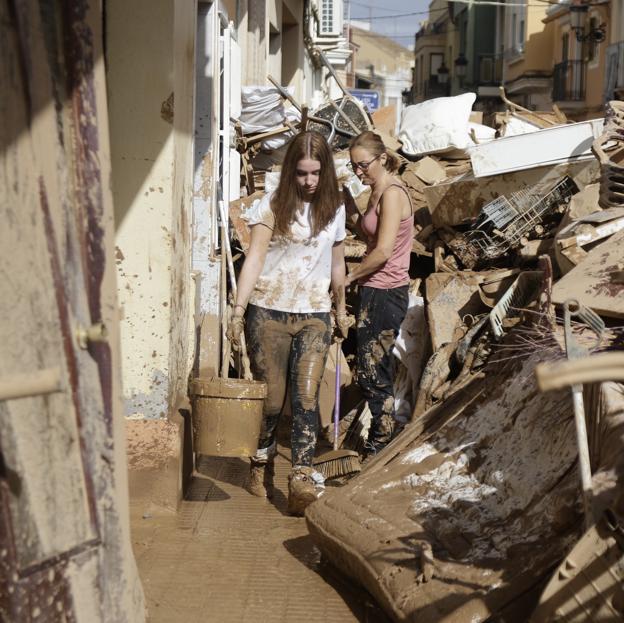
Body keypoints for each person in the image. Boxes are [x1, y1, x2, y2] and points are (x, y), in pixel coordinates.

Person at [226, 131, 351, 516]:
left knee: (306, 397)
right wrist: (237, 308)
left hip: (314, 312)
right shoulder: (271, 206)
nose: (309, 182)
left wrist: (341, 309)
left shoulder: (335, 208)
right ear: (291, 171)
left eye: (315, 173)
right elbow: (256, 258)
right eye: (301, 173)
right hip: (268, 311)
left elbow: (337, 265)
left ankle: (301, 476)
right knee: (273, 402)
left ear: (325, 171)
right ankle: (260, 464)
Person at [344, 131, 414, 458]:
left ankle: (379, 445)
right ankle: (377, 442)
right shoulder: (376, 191)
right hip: (373, 289)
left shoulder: (393, 194)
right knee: (371, 369)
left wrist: (348, 277)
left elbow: (383, 250)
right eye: (353, 166)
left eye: (363, 165)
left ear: (382, 158)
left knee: (375, 372)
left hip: (386, 292)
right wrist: (347, 204)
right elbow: (369, 233)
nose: (359, 172)